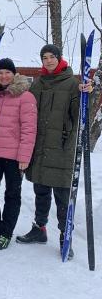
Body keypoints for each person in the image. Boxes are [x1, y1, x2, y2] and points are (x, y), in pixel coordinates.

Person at [16, 44, 92, 259]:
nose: (48, 61)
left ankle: (64, 234)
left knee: (61, 195)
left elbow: (80, 114)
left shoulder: (72, 84)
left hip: (61, 147)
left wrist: (89, 94)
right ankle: (39, 229)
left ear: (60, 58)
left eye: (52, 57)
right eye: (44, 57)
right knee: (40, 191)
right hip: (39, 147)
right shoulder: (38, 84)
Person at [0, 58, 37, 249]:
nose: (3, 76)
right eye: (0, 72)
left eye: (7, 73)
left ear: (14, 75)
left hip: (14, 157)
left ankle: (5, 232)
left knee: (12, 194)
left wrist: (24, 156)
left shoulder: (25, 96)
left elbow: (29, 129)